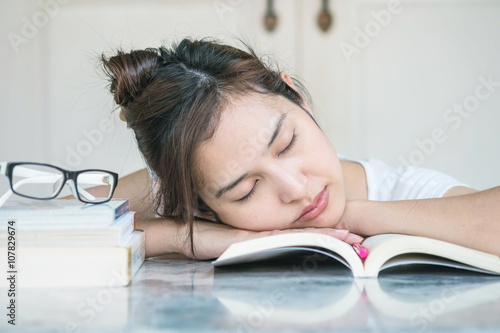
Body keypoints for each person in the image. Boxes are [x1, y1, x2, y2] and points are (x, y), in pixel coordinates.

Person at [101, 38, 500, 260]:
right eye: (246, 190)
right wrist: (181, 236)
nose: (295, 188)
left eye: (287, 143)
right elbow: (54, 221)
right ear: (203, 207)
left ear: (297, 97)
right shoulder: (184, 197)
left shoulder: (403, 191)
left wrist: (354, 215)